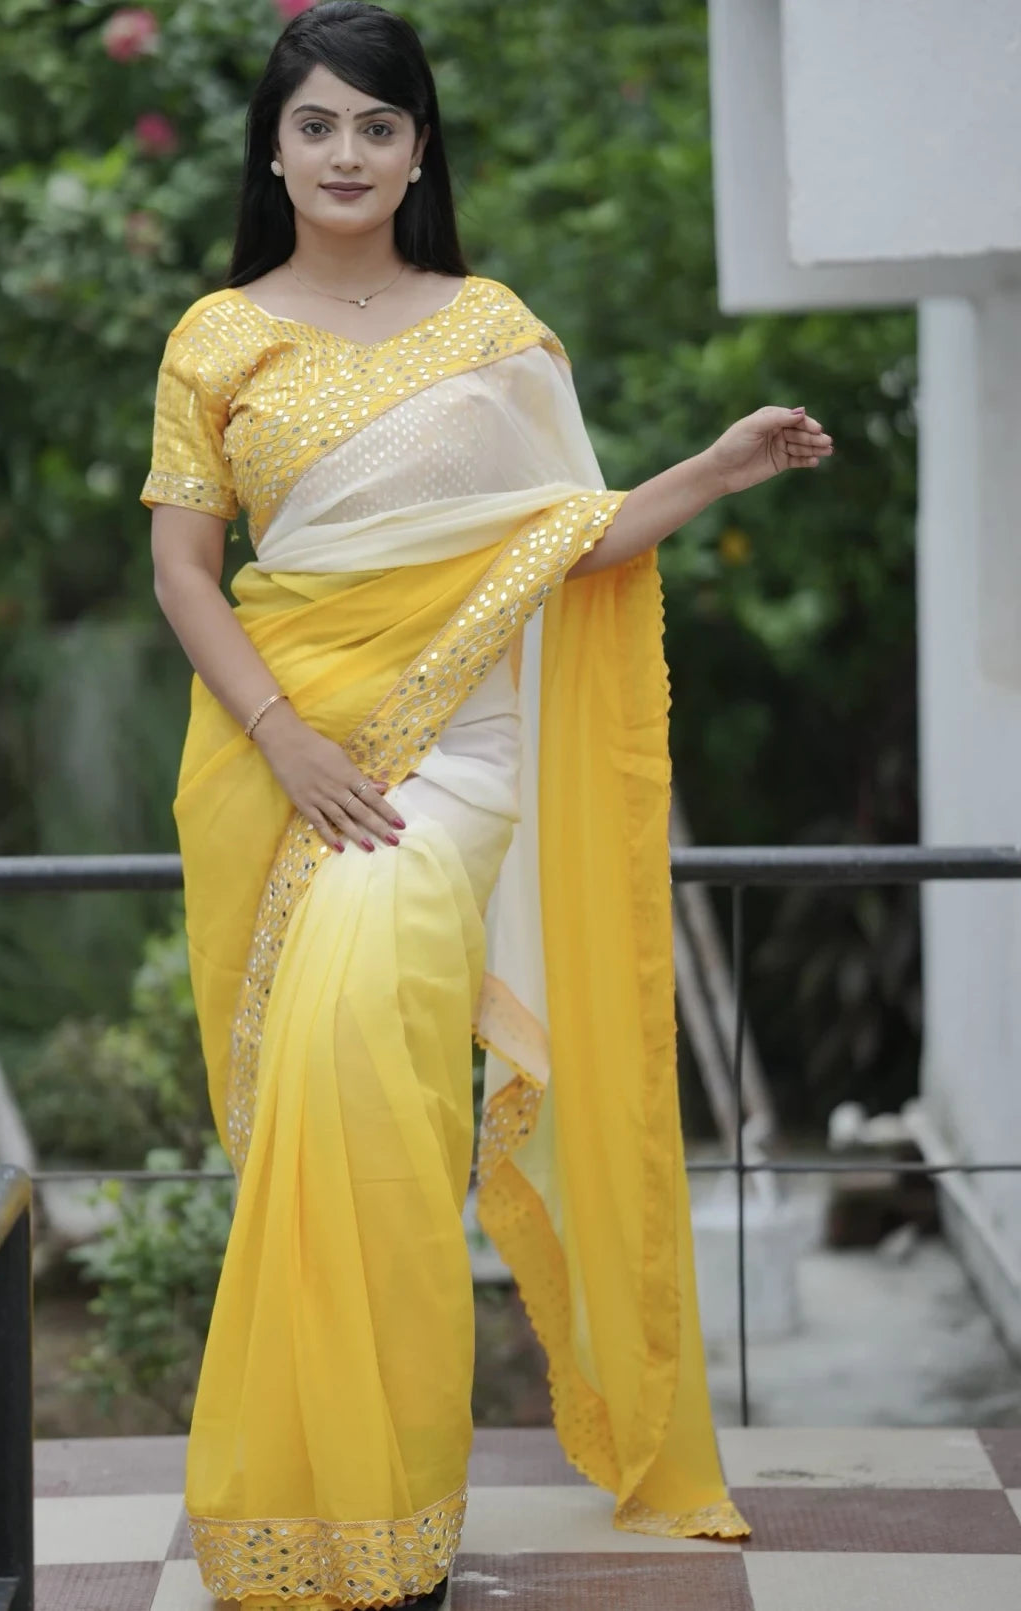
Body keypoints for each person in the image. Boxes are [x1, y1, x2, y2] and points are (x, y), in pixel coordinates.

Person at [141, 5, 833, 1607]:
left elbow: (568, 539)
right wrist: (286, 744)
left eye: (378, 127)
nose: (347, 153)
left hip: (453, 763)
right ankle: (328, 1512)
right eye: (317, 125)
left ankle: (387, 1505)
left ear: (419, 152)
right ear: (273, 150)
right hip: (282, 758)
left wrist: (715, 470)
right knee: (337, 1104)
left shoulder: (491, 328)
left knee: (359, 1062)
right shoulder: (217, 338)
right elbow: (183, 571)